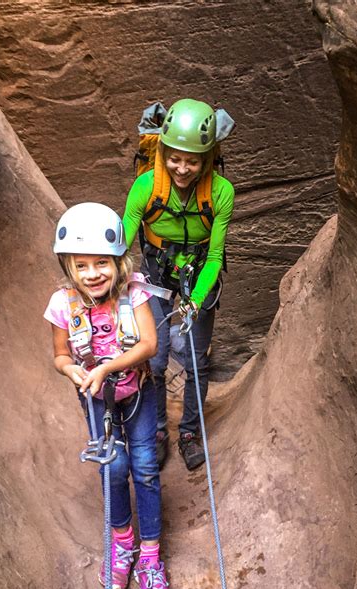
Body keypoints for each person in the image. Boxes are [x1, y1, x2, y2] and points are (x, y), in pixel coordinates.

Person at [43, 202, 171, 589]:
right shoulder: (63, 304)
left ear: (119, 262)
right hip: (98, 401)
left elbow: (149, 345)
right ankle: (123, 541)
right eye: (82, 266)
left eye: (102, 263)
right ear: (69, 267)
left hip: (137, 394)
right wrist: (74, 373)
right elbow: (60, 354)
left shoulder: (133, 293)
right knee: (112, 469)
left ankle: (150, 557)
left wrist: (106, 367)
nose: (93, 273)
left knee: (146, 467)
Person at [123, 98, 235, 471]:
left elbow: (216, 256)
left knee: (196, 362)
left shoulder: (221, 193)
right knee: (153, 358)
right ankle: (156, 430)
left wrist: (196, 299)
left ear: (207, 159)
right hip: (155, 278)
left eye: (192, 161)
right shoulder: (145, 187)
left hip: (198, 276)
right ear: (164, 152)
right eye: (174, 158)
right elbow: (122, 243)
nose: (182, 169)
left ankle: (189, 432)